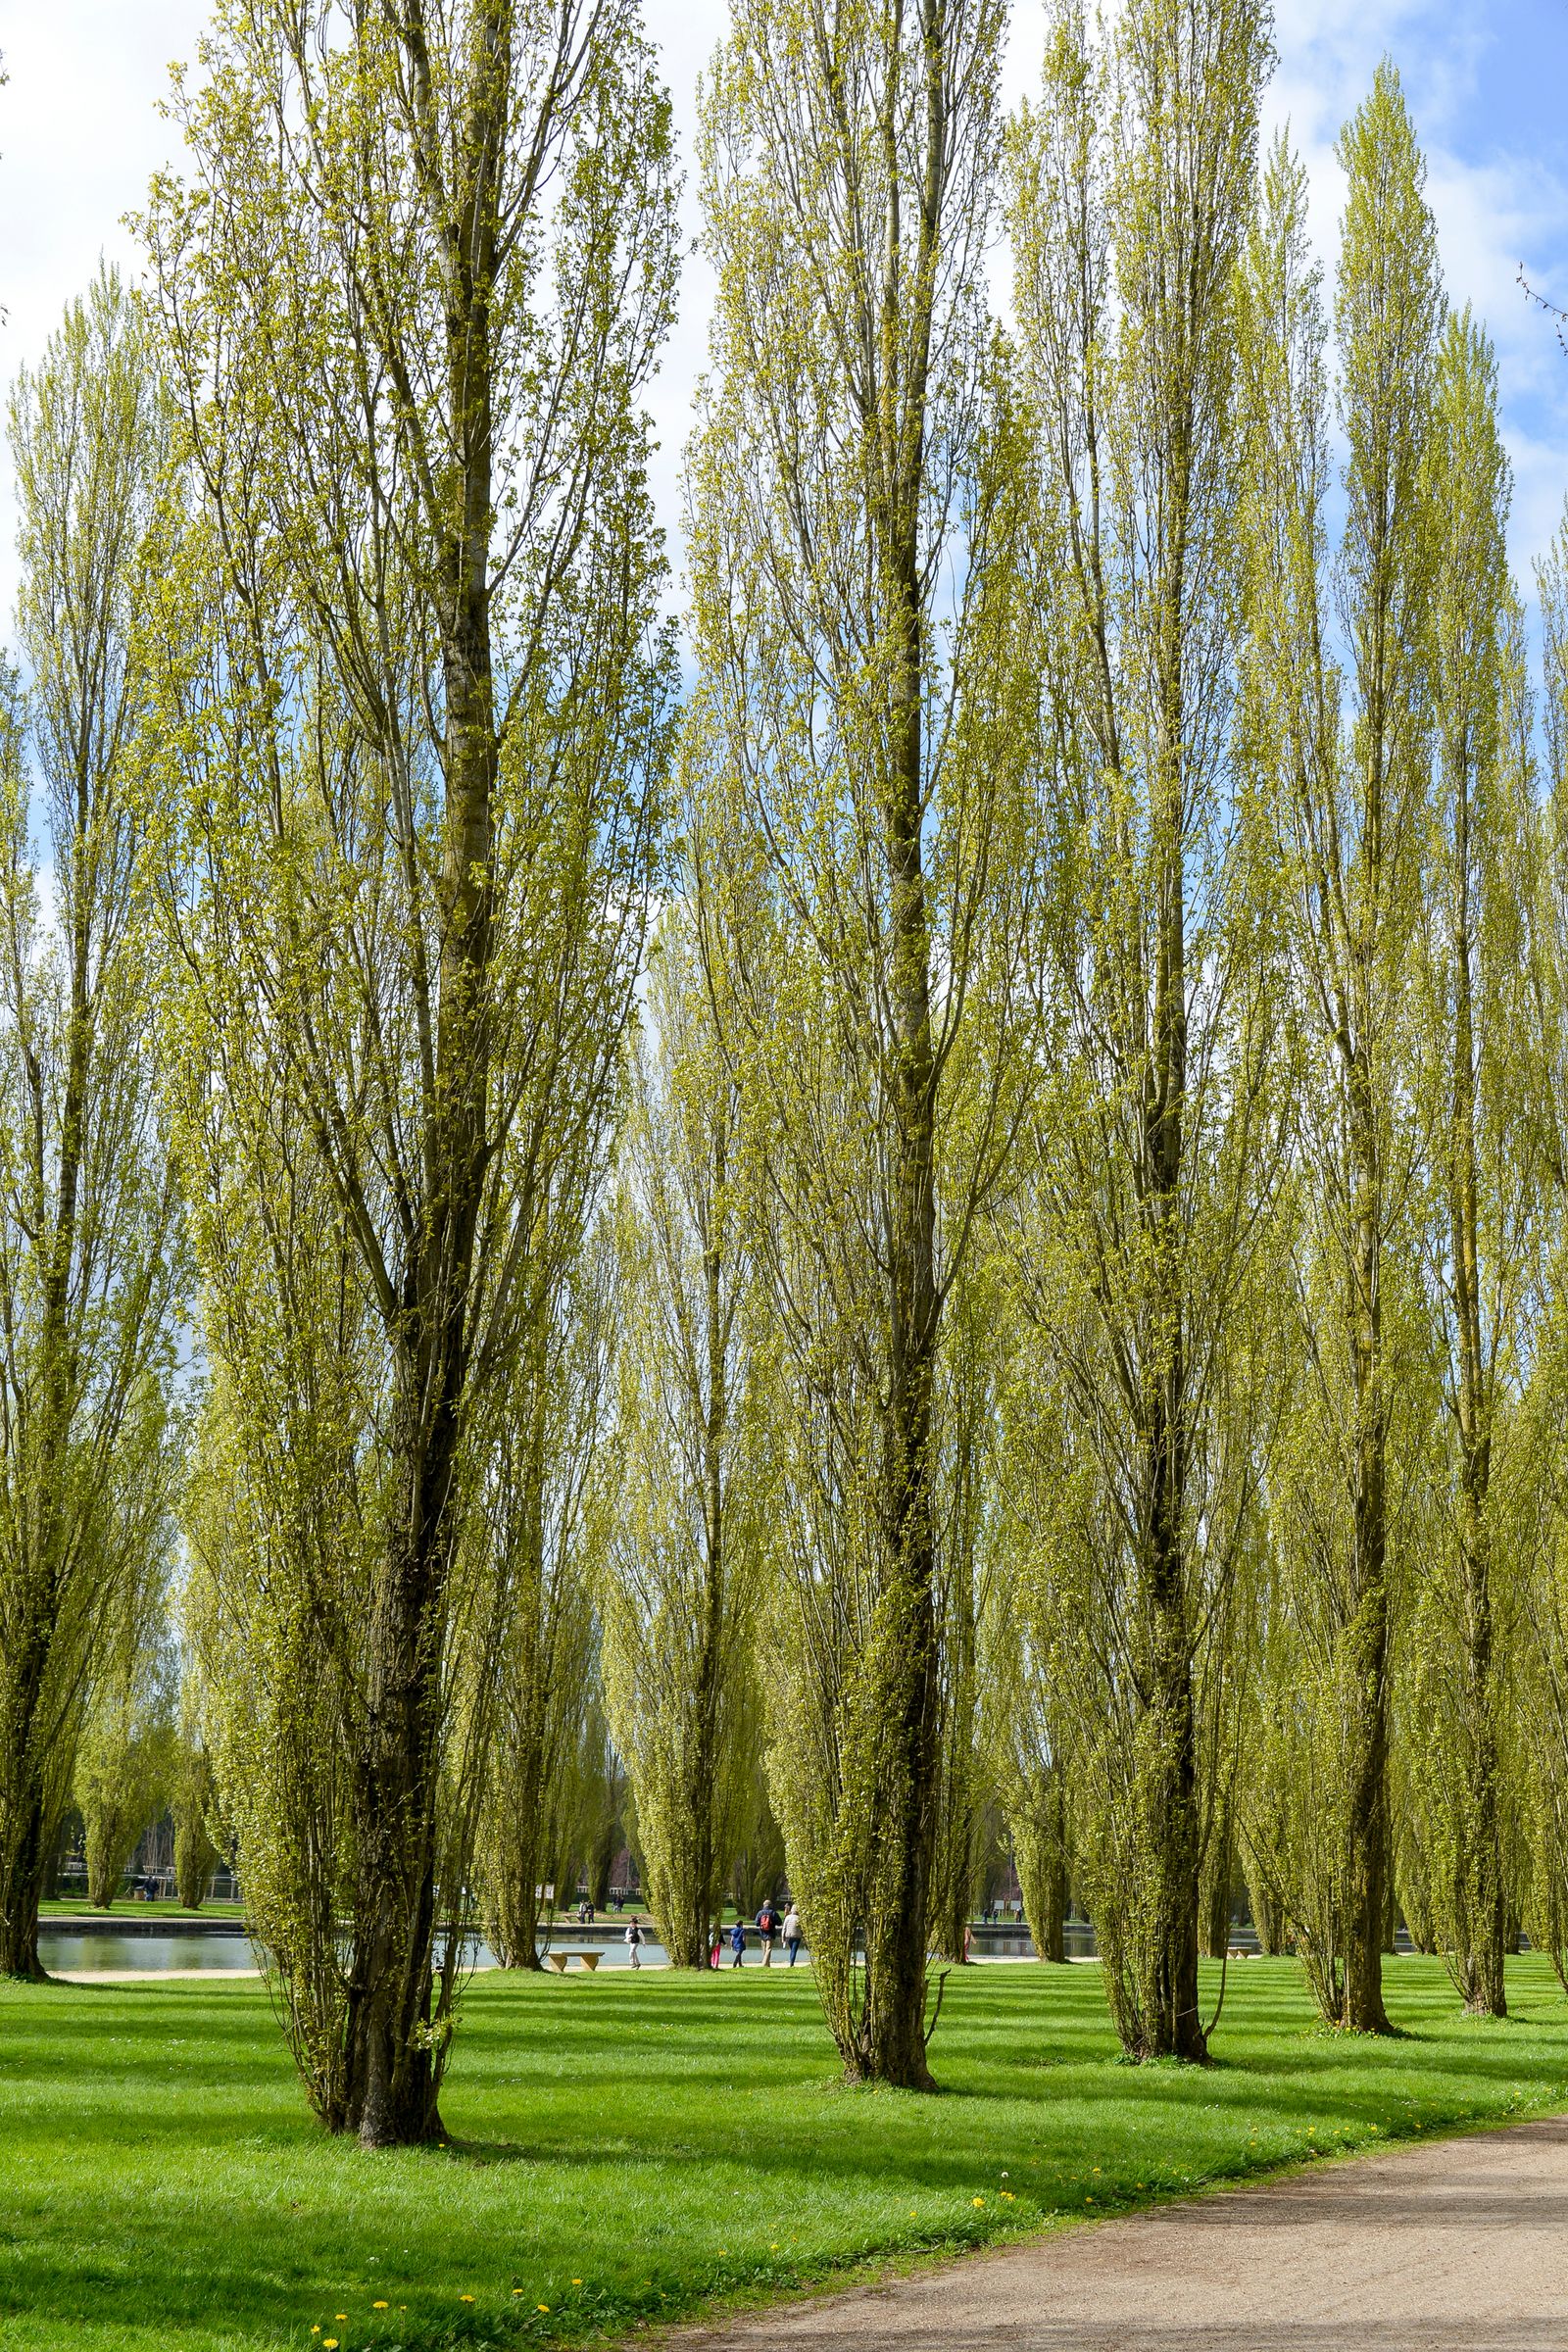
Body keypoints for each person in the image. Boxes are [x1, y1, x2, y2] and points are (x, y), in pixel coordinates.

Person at [756, 1897, 779, 1967]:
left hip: (762, 1933)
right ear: (770, 1905)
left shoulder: (760, 1913)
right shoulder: (773, 1912)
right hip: (771, 1933)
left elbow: (756, 1923)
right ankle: (764, 1964)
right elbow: (779, 1922)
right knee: (768, 1949)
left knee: (764, 1949)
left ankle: (767, 1964)